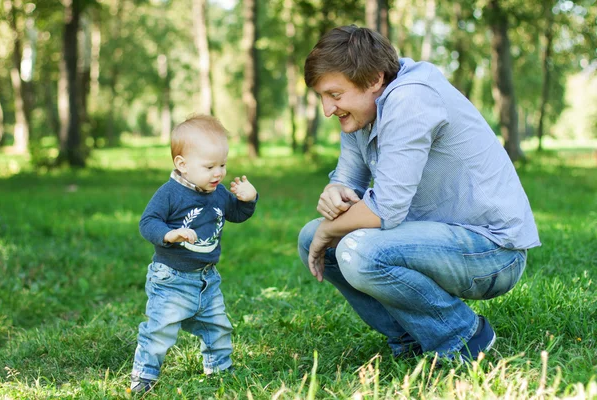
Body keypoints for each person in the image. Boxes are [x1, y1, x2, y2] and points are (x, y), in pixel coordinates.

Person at [297, 25, 540, 363]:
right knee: (311, 238)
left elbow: (385, 210)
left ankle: (462, 336)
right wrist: (334, 190)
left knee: (357, 250)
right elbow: (347, 179)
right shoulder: (363, 112)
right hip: (433, 241)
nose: (327, 109)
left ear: (374, 80)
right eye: (322, 96)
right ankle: (410, 338)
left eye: (335, 95)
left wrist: (330, 228)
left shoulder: (411, 99)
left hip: (493, 251)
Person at [130, 115, 258, 393]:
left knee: (218, 327)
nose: (218, 173)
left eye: (222, 164)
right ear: (182, 165)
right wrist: (169, 234)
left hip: (207, 279)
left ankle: (219, 371)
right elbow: (147, 222)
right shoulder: (170, 194)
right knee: (160, 330)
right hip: (171, 279)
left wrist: (248, 200)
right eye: (210, 166)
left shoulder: (218, 192)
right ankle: (144, 376)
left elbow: (234, 213)